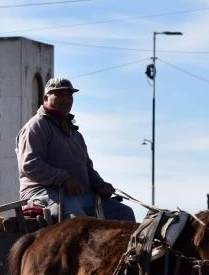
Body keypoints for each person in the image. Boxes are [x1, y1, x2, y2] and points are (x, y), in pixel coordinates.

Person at [16, 77, 135, 222]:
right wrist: (64, 179)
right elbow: (30, 165)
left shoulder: (75, 134)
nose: (66, 100)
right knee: (78, 220)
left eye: (69, 95)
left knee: (124, 214)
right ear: (46, 98)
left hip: (81, 196)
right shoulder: (37, 126)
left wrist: (100, 185)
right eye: (60, 94)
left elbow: (88, 169)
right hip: (43, 193)